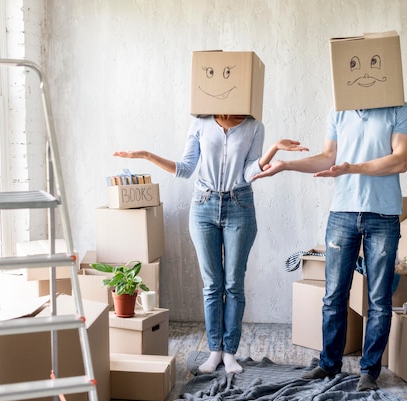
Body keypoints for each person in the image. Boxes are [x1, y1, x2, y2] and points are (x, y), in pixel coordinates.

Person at [114, 114, 308, 374]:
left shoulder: (253, 126)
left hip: (240, 205)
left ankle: (230, 354)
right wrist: (147, 155)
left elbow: (250, 172)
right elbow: (185, 168)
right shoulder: (201, 123)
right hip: (203, 206)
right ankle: (214, 350)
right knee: (212, 285)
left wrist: (273, 149)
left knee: (233, 284)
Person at [253, 103, 407, 391]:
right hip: (342, 213)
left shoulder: (401, 109)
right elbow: (328, 158)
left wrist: (351, 167)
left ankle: (369, 371)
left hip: (384, 215)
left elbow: (400, 160)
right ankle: (329, 364)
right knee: (334, 296)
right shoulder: (339, 111)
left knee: (378, 300)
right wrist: (286, 165)